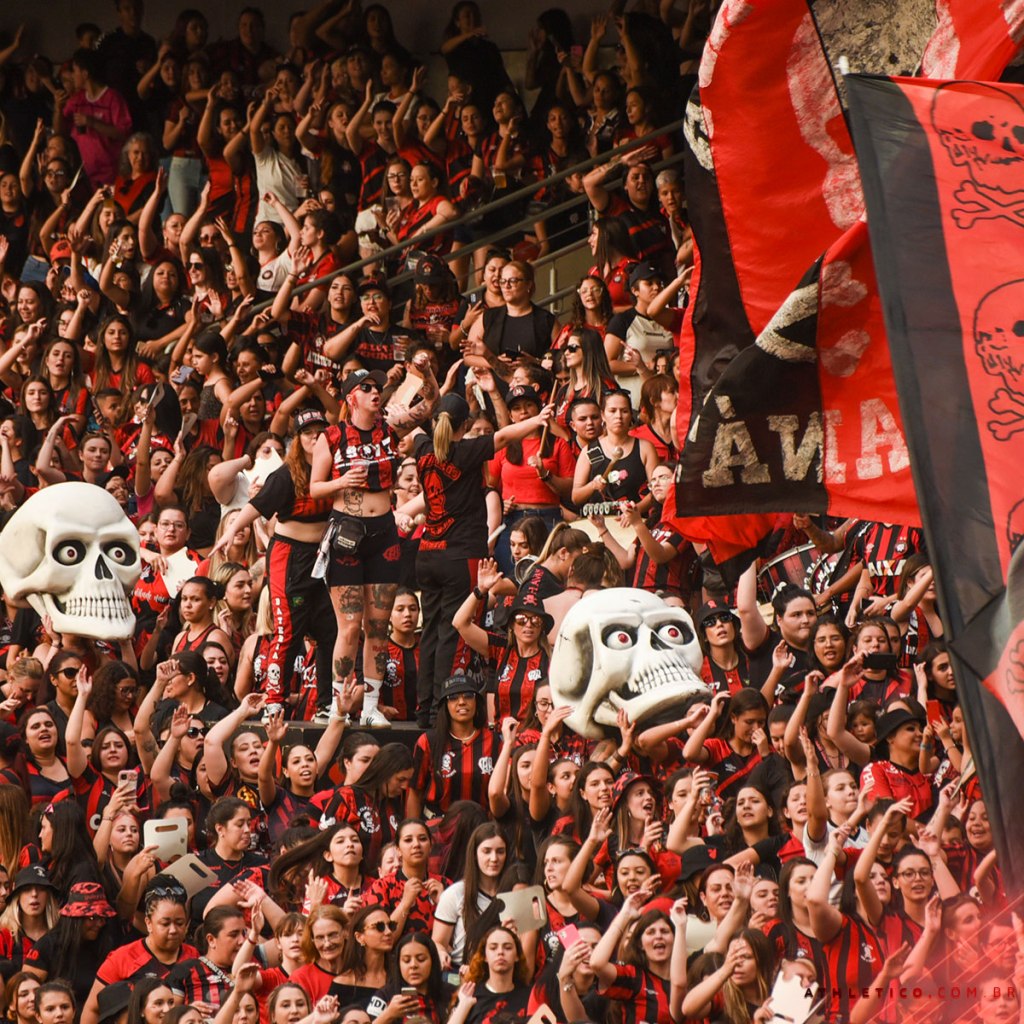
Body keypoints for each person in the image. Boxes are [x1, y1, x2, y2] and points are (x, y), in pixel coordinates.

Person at [310, 357, 439, 726]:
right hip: (346, 534)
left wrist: (426, 373)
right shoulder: (331, 436)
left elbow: (430, 405)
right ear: (352, 396)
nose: (375, 392)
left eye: (377, 388)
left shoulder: (389, 428)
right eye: (367, 387)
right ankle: (338, 705)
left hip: (383, 532)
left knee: (378, 629)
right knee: (349, 627)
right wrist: (340, 483)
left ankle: (369, 708)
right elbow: (315, 487)